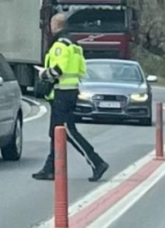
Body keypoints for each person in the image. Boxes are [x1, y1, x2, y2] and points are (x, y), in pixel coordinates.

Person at [32, 13, 110, 182]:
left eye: (51, 25)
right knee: (56, 132)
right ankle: (50, 168)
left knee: (68, 131)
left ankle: (97, 162)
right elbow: (81, 70)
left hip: (61, 93)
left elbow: (57, 70)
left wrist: (43, 74)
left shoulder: (60, 45)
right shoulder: (75, 45)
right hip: (70, 91)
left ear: (55, 26)